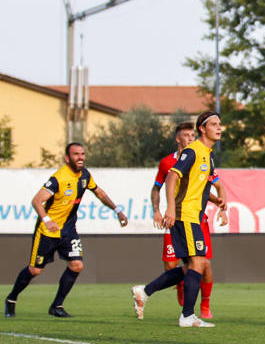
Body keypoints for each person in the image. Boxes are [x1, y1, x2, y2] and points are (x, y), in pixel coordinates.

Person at [5, 143, 128, 318]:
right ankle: (11, 299)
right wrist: (46, 220)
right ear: (67, 158)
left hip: (68, 231)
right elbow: (36, 201)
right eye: (76, 154)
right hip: (48, 232)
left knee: (77, 265)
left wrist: (117, 210)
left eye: (83, 154)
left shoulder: (85, 175)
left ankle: (56, 306)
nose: (81, 157)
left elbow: (99, 193)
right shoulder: (58, 178)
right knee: (35, 270)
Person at [132, 111, 223, 328]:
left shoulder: (207, 155)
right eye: (214, 124)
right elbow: (172, 177)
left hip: (193, 215)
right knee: (199, 262)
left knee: (191, 266)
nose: (219, 128)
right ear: (202, 128)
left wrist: (215, 200)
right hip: (186, 216)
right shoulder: (193, 151)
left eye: (220, 124)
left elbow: (195, 186)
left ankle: (144, 291)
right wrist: (170, 208)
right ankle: (188, 316)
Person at [151, 122, 227, 319]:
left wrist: (219, 202)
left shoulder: (205, 155)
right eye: (186, 135)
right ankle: (186, 312)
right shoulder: (171, 161)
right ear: (178, 138)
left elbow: (209, 186)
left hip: (197, 218)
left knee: (201, 263)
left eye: (191, 134)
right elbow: (163, 183)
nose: (190, 138)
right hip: (179, 215)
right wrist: (160, 210)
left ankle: (199, 308)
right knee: (177, 264)